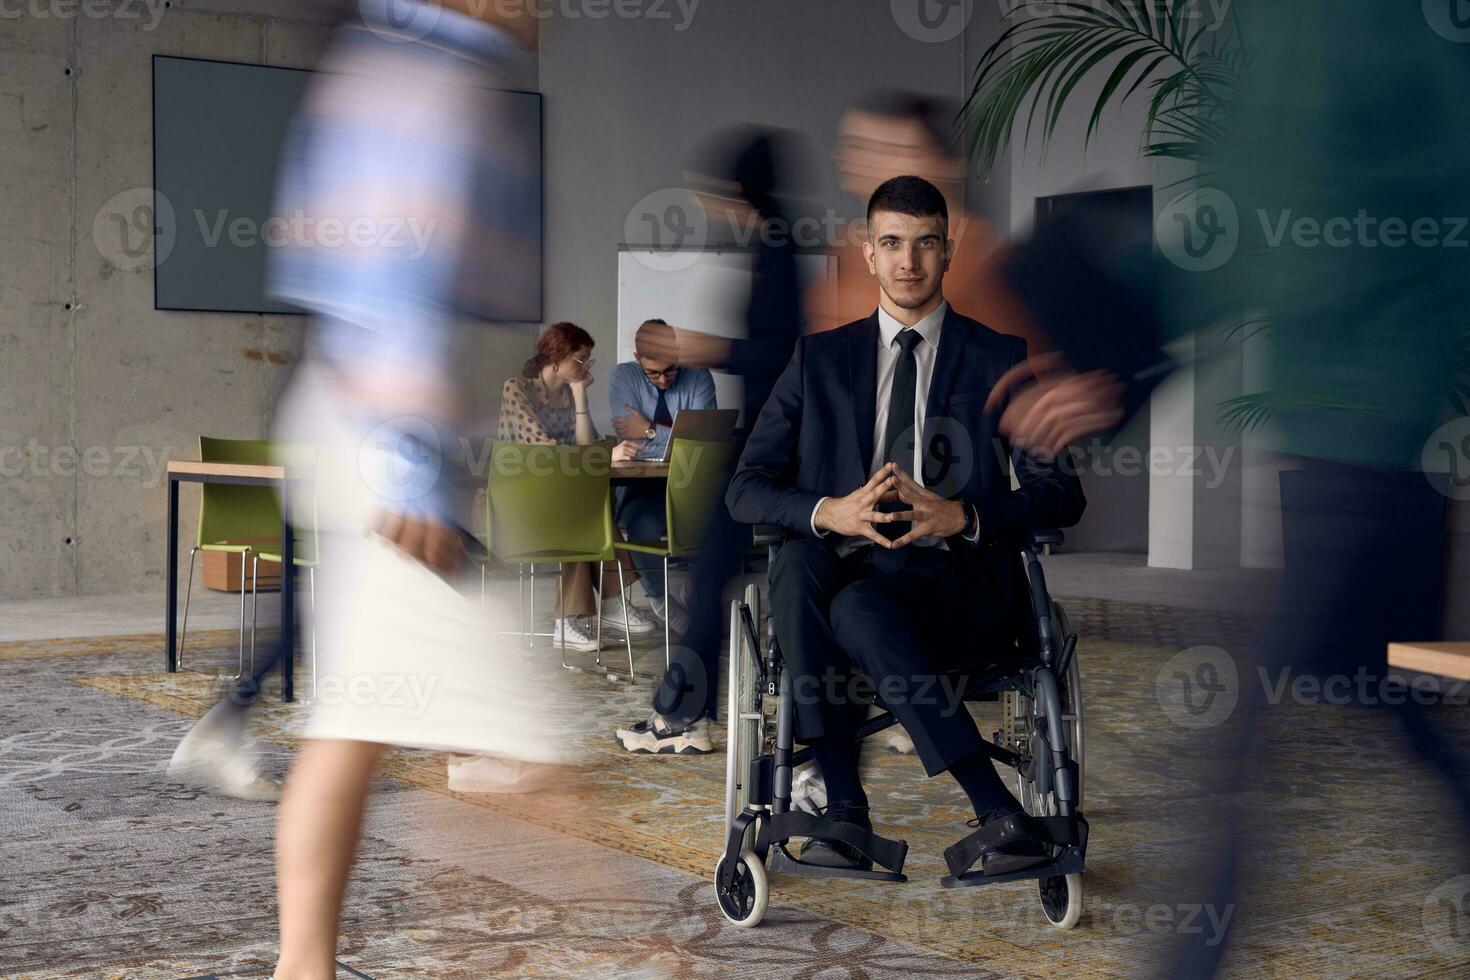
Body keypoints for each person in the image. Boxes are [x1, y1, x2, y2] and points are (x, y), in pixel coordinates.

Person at [723, 174, 1086, 872]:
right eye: (892, 243)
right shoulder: (818, 360)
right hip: (845, 575)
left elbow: (1061, 493)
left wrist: (965, 514)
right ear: (869, 254)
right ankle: (971, 812)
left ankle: (853, 813)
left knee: (850, 601)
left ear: (948, 252)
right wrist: (832, 512)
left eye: (924, 244)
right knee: (803, 563)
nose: (908, 261)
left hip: (957, 586)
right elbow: (746, 487)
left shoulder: (998, 358)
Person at [615, 126, 807, 754]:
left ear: (734, 191)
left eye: (711, 194)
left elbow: (787, 352)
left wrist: (708, 348)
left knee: (718, 568)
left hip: (774, 446)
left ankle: (685, 714)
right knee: (716, 569)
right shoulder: (770, 242)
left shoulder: (776, 246)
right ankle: (687, 711)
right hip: (769, 441)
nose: (706, 207)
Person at [807, 90, 1042, 355]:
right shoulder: (850, 249)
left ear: (945, 165)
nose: (866, 162)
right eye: (857, 145)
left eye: (891, 150)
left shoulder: (978, 260)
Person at [497, 321, 658, 651]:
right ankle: (573, 618)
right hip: (512, 504)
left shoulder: (566, 397)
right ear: (556, 358)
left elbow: (585, 447)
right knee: (575, 511)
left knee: (584, 507)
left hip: (554, 499)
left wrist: (580, 395)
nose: (586, 367)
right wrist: (603, 456)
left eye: (588, 361)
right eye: (581, 360)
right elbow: (548, 453)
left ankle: (606, 607)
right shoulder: (516, 388)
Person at [608, 318, 717, 628]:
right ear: (637, 360)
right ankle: (660, 602)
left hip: (693, 483)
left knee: (723, 517)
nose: (665, 379)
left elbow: (703, 440)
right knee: (640, 522)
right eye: (653, 373)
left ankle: (695, 590)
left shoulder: (699, 377)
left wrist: (649, 431)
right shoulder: (622, 377)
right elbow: (629, 439)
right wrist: (673, 436)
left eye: (671, 369)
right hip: (642, 489)